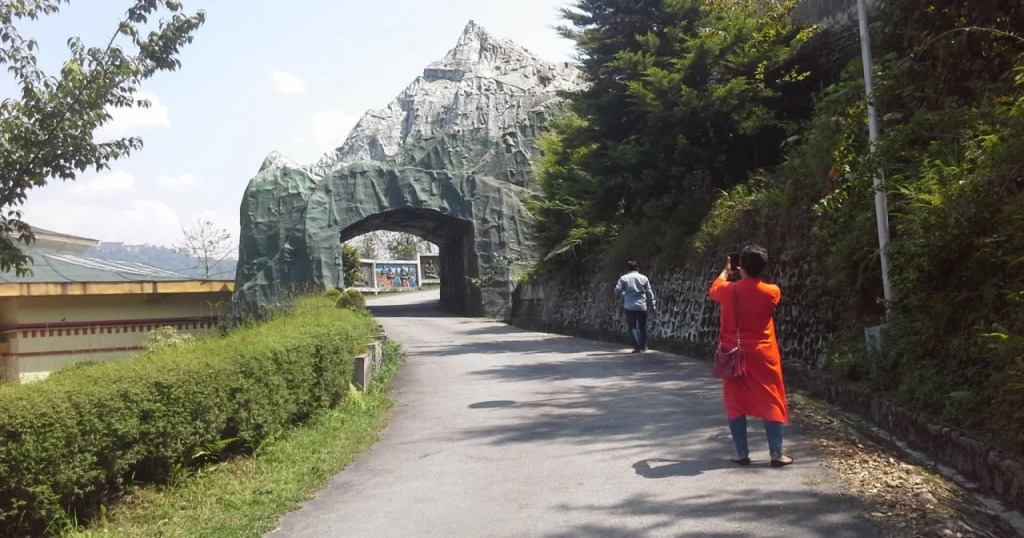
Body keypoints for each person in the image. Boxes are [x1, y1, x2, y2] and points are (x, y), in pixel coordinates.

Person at [709, 245, 792, 468]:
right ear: (763, 268)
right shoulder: (772, 291)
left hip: (733, 354)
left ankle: (741, 453)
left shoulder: (727, 290)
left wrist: (726, 271)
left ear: (741, 266)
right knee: (771, 399)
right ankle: (776, 454)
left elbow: (714, 289)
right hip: (764, 354)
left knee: (735, 402)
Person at [615, 260, 656, 353]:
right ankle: (644, 346)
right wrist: (653, 303)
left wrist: (624, 293)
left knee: (632, 327)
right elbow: (649, 292)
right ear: (637, 268)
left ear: (627, 269)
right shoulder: (644, 278)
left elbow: (617, 290)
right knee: (642, 326)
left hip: (629, 306)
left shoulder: (623, 278)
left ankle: (637, 347)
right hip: (642, 305)